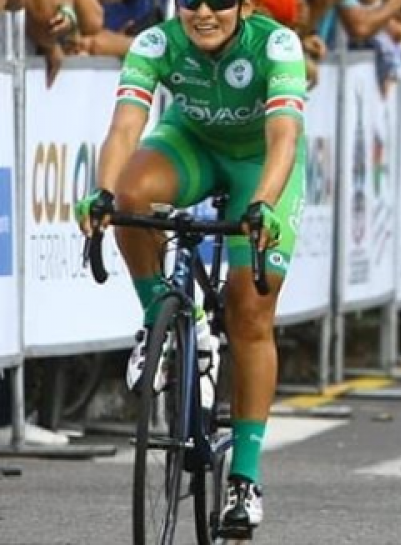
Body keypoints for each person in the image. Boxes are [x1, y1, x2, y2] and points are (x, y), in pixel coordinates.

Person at [73, 0, 308, 538]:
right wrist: (103, 193)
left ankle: (244, 479)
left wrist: (264, 205)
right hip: (192, 144)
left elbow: (284, 139)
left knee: (251, 313)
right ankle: (166, 317)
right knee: (131, 195)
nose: (204, 12)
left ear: (245, 5)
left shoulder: (276, 46)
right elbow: (126, 127)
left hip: (260, 165)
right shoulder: (157, 43)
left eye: (219, 1)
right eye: (190, 1)